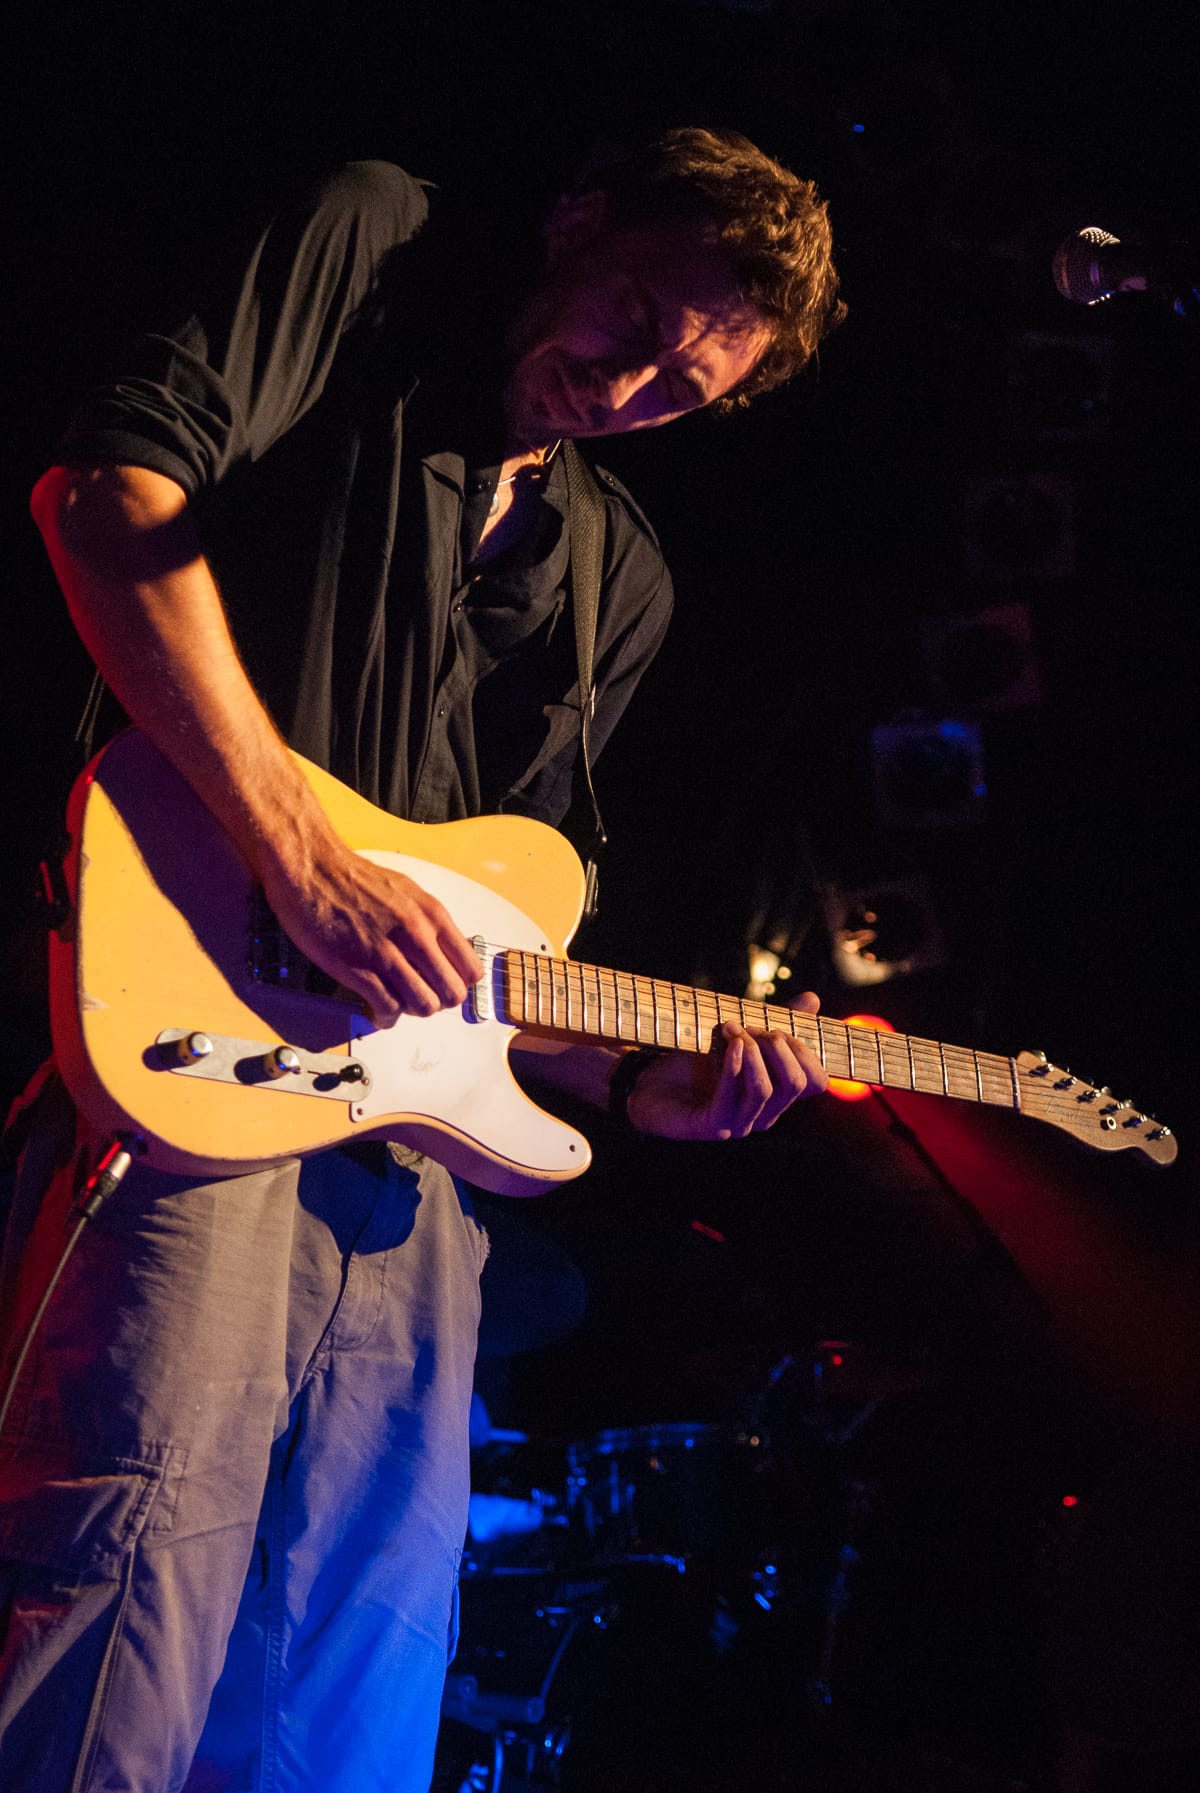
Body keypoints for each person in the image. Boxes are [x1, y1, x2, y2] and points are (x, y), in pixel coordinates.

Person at [0, 128, 844, 1792]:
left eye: (684, 389)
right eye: (632, 318)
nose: (627, 387)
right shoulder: (381, 247)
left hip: (411, 1181)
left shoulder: (619, 574)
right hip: (198, 1055)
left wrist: (641, 1082)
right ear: (579, 220)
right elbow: (109, 495)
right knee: (119, 1609)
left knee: (358, 1677)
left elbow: (492, 951)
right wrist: (297, 851)